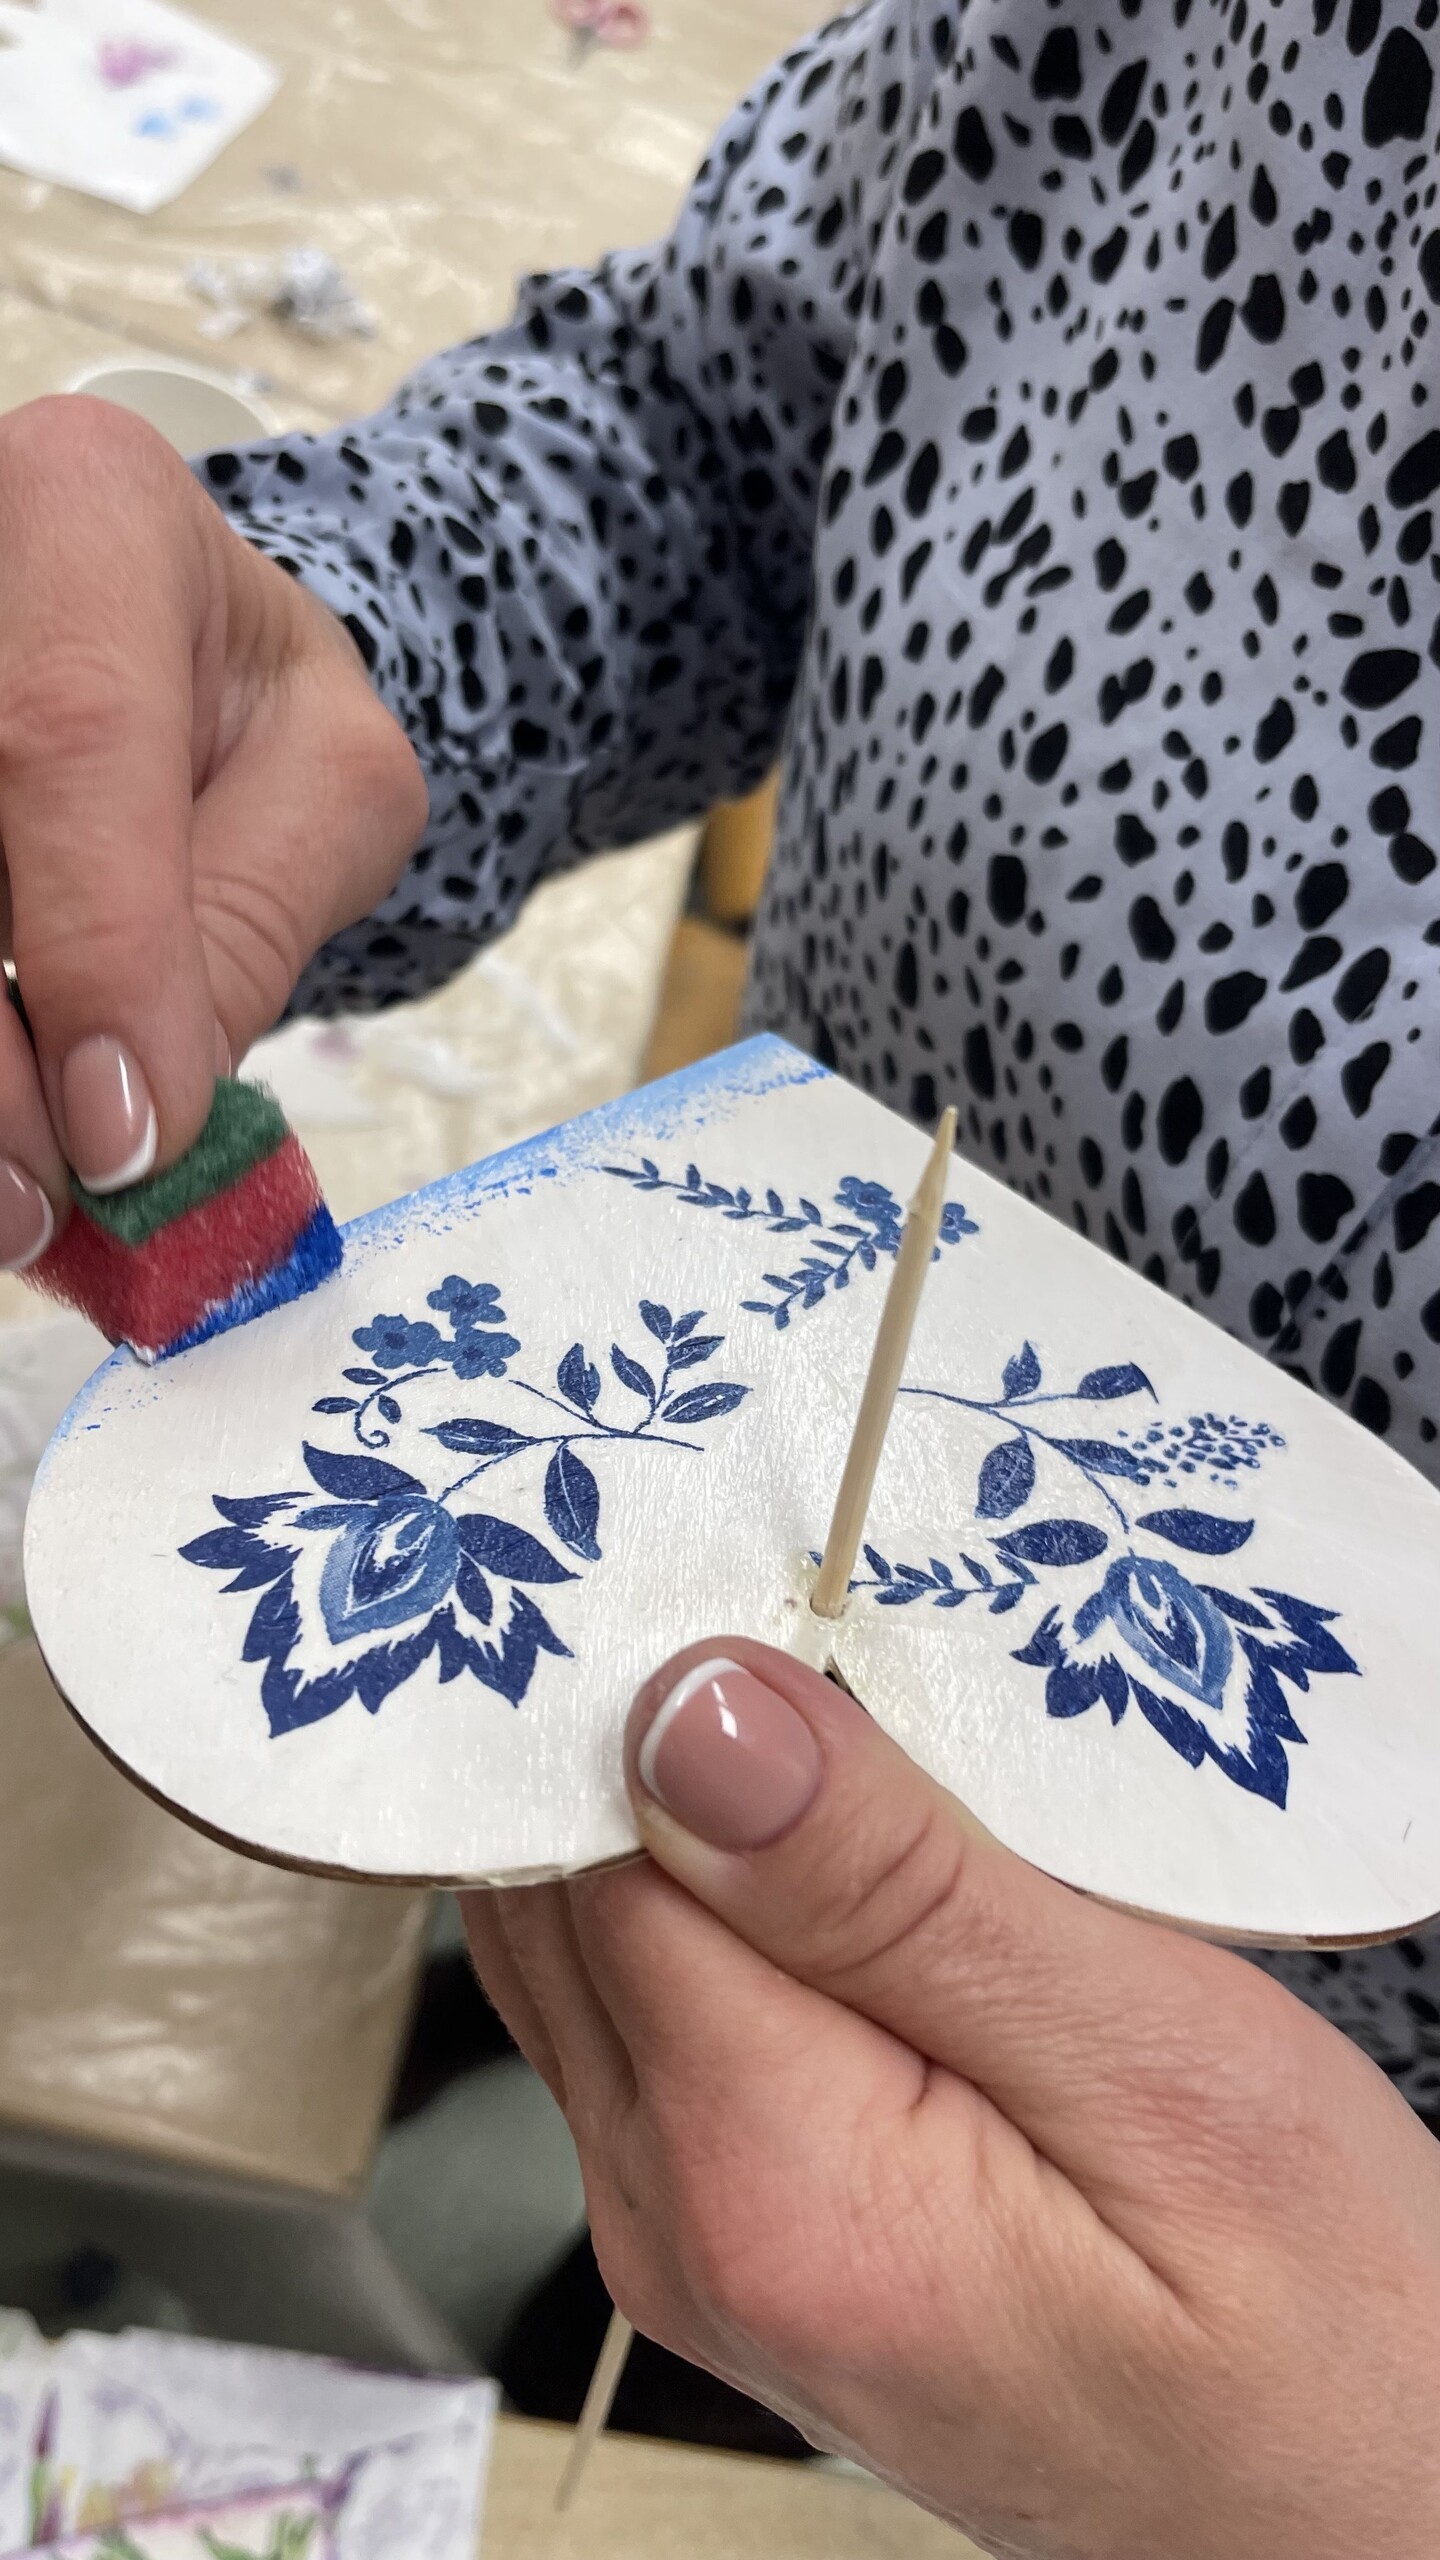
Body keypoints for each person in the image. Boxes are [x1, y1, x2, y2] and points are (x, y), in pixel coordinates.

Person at [0, 0, 1437, 2536]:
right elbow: (733, 421)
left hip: (1299, 2289)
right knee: (611, 2196)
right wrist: (332, 638)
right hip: (700, 1501)